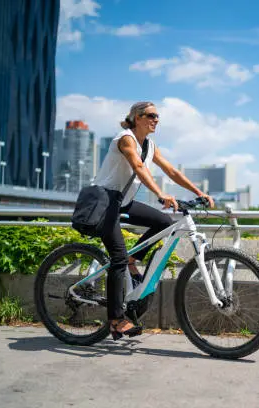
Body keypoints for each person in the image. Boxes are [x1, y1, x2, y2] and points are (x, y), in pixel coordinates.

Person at [92, 101, 215, 339]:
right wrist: (160, 193)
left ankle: (132, 259)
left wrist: (198, 192)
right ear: (137, 117)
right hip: (105, 201)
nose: (156, 120)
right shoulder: (125, 138)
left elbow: (172, 171)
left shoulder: (149, 145)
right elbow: (137, 166)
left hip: (123, 201)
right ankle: (116, 320)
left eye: (158, 117)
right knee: (116, 258)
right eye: (151, 115)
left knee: (165, 223)